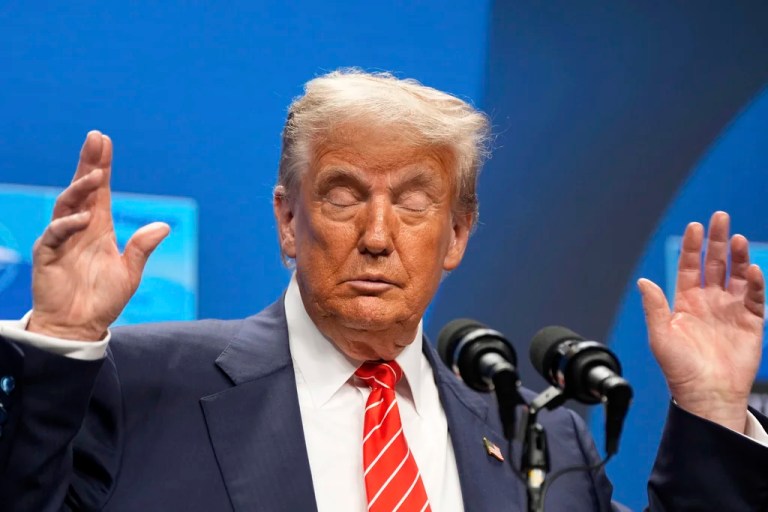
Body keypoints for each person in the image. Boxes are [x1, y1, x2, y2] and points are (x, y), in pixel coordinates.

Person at [0, 69, 766, 511]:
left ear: (458, 235)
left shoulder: (546, 440)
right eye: (340, 195)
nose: (376, 233)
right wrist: (64, 341)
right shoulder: (138, 387)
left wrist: (714, 409)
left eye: (413, 201)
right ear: (288, 220)